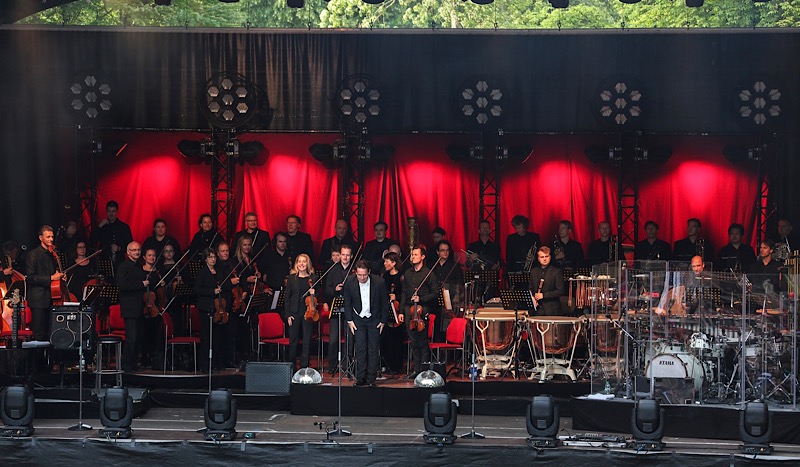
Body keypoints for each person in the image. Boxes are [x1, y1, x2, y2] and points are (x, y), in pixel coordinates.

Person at [343, 260, 389, 386]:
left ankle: (371, 379)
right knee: (360, 349)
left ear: (369, 272)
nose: (362, 278)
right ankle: (360, 378)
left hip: (374, 319)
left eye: (364, 275)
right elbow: (347, 303)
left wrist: (383, 321)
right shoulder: (349, 282)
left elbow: (385, 303)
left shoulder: (379, 282)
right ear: (355, 273)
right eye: (359, 275)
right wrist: (350, 320)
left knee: (373, 349)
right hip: (357, 320)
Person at [400, 245, 439, 379]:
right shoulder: (407, 273)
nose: (413, 257)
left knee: (422, 341)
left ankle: (424, 370)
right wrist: (401, 311)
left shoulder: (429, 273)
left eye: (416, 255)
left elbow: (435, 293)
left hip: (423, 310)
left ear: (422, 257)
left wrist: (421, 298)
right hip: (409, 310)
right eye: (412, 255)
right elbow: (404, 293)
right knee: (413, 341)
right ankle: (416, 370)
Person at [24, 225, 65, 341]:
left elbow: (53, 274)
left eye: (52, 237)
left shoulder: (52, 254)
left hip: (51, 298)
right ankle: (38, 359)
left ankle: (48, 358)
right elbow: (31, 278)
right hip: (38, 299)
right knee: (39, 334)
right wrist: (51, 277)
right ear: (41, 238)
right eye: (48, 237)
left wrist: (60, 277)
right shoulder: (33, 254)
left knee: (50, 333)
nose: (51, 239)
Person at [192, 248, 228, 372]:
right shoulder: (202, 272)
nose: (213, 259)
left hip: (217, 308)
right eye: (210, 257)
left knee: (217, 337)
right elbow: (197, 289)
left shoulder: (218, 271)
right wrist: (212, 291)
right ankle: (205, 365)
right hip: (205, 307)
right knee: (206, 337)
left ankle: (216, 363)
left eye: (214, 257)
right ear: (206, 259)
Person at [116, 242, 148, 372]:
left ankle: (133, 364)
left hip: (140, 306)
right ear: (128, 252)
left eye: (138, 250)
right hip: (130, 308)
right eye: (134, 250)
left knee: (138, 338)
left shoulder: (139, 266)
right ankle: (127, 365)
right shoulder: (124, 266)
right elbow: (123, 285)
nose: (137, 252)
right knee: (131, 338)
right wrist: (141, 284)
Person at [324, 244, 355, 374]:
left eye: (348, 255)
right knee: (334, 339)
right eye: (343, 255)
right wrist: (335, 290)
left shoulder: (354, 270)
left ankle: (348, 366)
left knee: (349, 339)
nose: (345, 257)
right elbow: (327, 289)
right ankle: (332, 366)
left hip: (350, 309)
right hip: (336, 308)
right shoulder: (333, 269)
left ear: (351, 256)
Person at [284, 254, 318, 371]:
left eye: (304, 262)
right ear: (297, 264)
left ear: (307, 264)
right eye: (300, 262)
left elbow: (317, 298)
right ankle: (291, 366)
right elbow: (287, 298)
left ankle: (304, 366)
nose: (302, 264)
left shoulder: (313, 278)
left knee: (307, 339)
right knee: (293, 339)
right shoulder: (292, 278)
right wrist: (288, 314)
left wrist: (313, 293)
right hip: (294, 312)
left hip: (308, 311)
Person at [431, 240, 464, 341]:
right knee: (436, 326)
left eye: (447, 250)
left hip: (450, 301)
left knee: (447, 327)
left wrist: (449, 288)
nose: (445, 252)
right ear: (437, 252)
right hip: (435, 301)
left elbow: (459, 283)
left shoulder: (455, 266)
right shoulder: (432, 266)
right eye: (442, 250)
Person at [381, 251, 405, 375]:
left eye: (387, 261)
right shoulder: (384, 276)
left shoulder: (401, 276)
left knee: (397, 339)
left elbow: (405, 294)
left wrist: (396, 297)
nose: (384, 263)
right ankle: (387, 364)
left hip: (397, 308)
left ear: (394, 263)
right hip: (387, 308)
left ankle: (397, 365)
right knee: (386, 338)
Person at [91, 200, 133, 266]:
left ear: (117, 211)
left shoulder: (124, 227)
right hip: (104, 261)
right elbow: (91, 240)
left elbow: (131, 247)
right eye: (109, 211)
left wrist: (119, 248)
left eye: (113, 211)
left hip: (120, 262)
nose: (111, 214)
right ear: (106, 211)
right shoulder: (103, 227)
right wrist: (100, 226)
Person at [529, 246, 565, 316]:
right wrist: (532, 298)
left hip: (551, 310)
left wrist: (544, 295)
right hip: (536, 310)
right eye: (542, 257)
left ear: (550, 257)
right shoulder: (533, 271)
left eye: (546, 256)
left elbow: (561, 291)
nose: (544, 259)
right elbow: (530, 288)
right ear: (538, 259)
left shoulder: (556, 271)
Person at [264, 232, 291, 298]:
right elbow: (264, 276)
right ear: (275, 242)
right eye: (280, 241)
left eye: (284, 241)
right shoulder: (269, 256)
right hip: (273, 290)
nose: (283, 244)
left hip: (288, 290)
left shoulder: (290, 256)